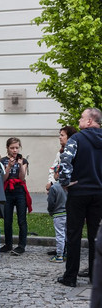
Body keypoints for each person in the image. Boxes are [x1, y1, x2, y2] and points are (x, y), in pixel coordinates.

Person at [57, 108, 102, 288]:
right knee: (95, 236)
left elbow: (65, 162)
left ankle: (71, 277)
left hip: (78, 192)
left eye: (82, 117)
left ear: (90, 121)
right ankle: (95, 275)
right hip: (99, 194)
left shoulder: (76, 139)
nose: (80, 120)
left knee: (74, 234)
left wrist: (65, 182)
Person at [45, 125, 77, 259]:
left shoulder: (75, 152)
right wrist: (52, 182)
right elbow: (54, 169)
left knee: (68, 226)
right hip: (60, 189)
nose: (59, 137)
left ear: (69, 138)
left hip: (71, 190)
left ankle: (67, 250)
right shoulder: (60, 153)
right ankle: (62, 250)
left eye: (62, 135)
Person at [0, 137, 31, 256]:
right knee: (7, 219)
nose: (15, 150)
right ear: (7, 148)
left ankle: (21, 245)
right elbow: (3, 179)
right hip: (8, 191)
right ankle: (8, 244)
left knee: (21, 219)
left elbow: (22, 178)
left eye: (17, 147)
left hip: (19, 191)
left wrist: (21, 165)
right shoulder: (2, 161)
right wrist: (8, 167)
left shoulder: (23, 161)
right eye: (12, 148)